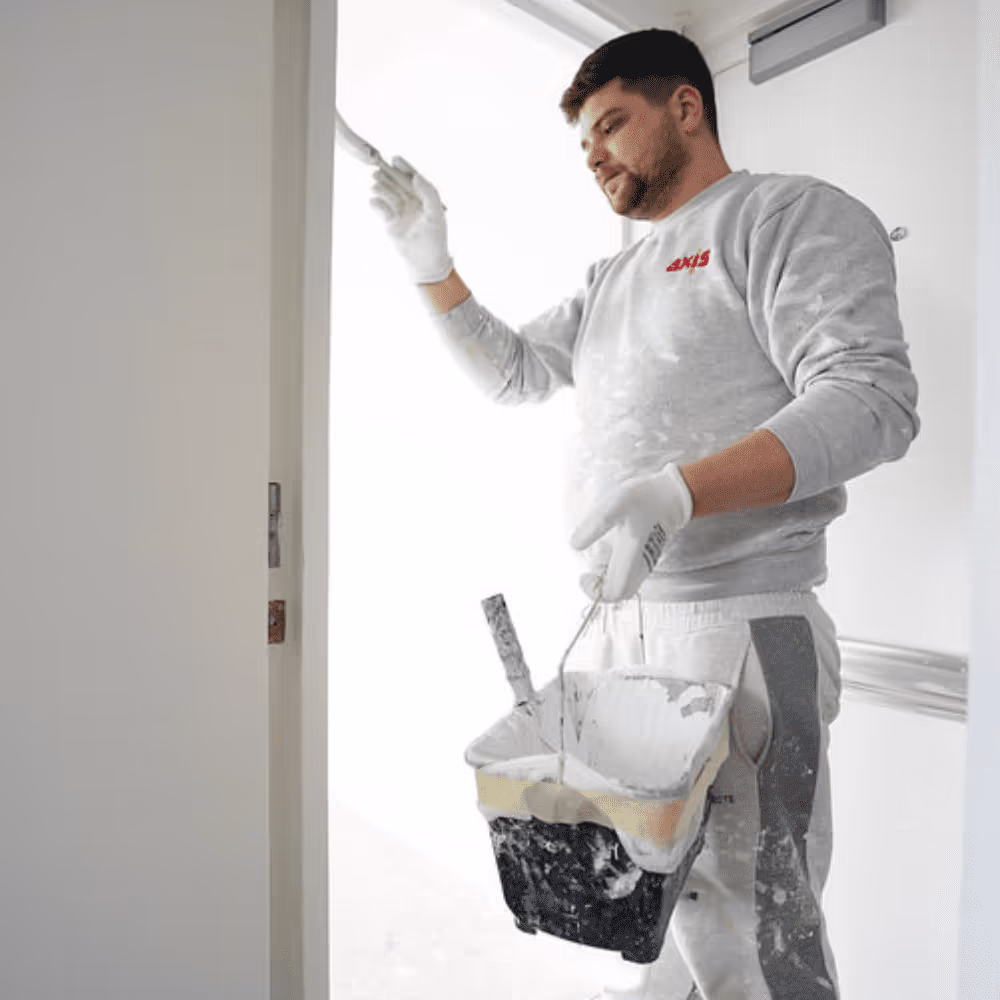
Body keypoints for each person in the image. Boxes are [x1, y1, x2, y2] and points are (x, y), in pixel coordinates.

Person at [368, 27, 919, 1000]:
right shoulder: (611, 278)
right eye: (584, 141)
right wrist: (431, 265)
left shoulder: (783, 215)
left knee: (758, 935)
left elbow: (872, 399)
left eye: (611, 124)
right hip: (620, 632)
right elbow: (514, 373)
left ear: (685, 106)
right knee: (646, 912)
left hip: (743, 626)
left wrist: (681, 490)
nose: (595, 154)